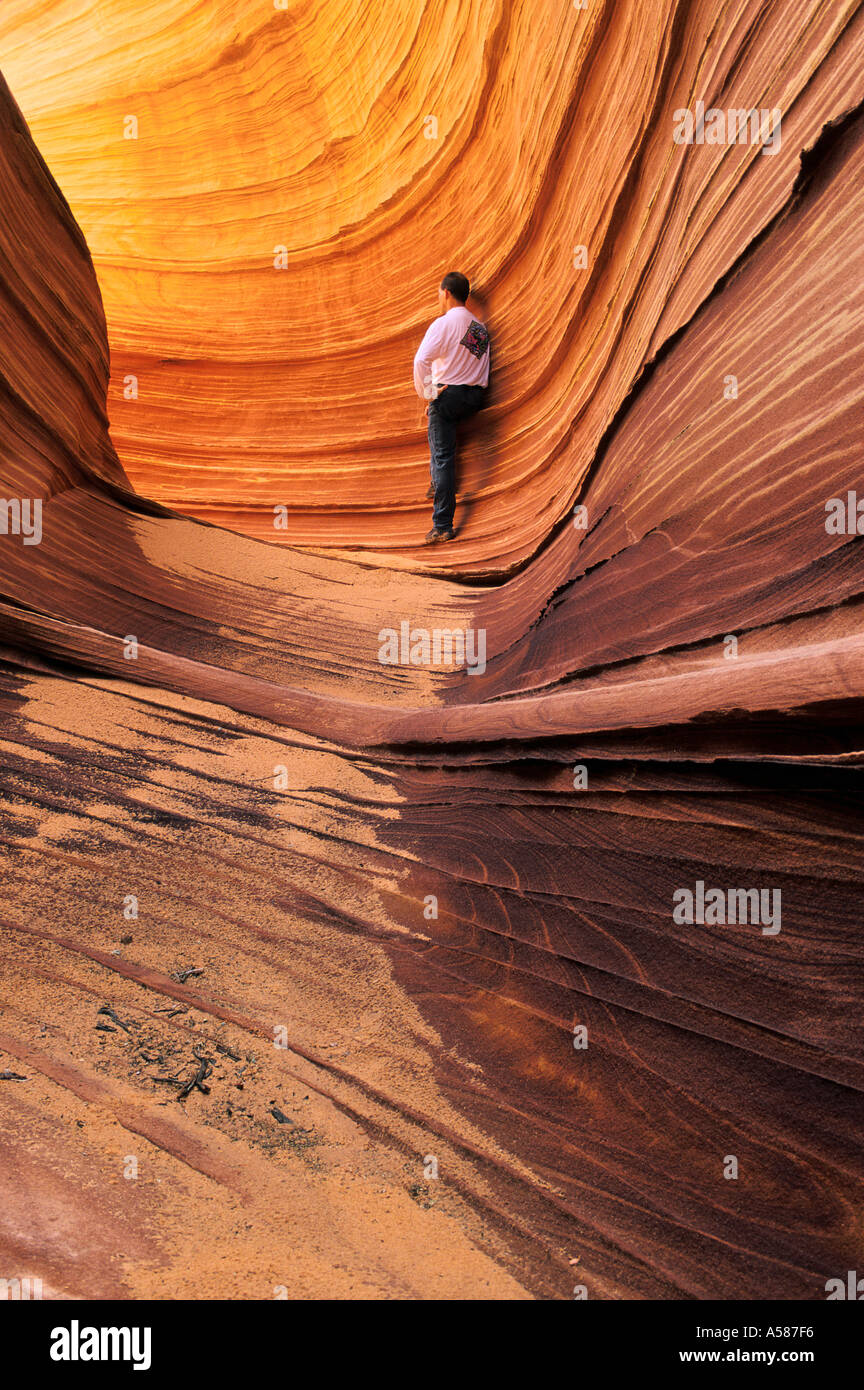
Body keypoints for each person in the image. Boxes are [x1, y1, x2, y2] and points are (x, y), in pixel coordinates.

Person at [413, 271, 490, 542]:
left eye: (438, 291)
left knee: (443, 457)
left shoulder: (443, 324)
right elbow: (475, 364)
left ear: (445, 292)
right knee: (440, 435)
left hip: (450, 396)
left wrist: (429, 394)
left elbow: (421, 361)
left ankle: (443, 524)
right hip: (474, 398)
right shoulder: (478, 327)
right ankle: (436, 481)